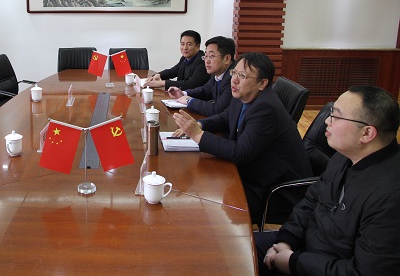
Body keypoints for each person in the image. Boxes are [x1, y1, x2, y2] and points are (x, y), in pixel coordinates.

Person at [255, 86, 400, 276]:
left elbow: (363, 272)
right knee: (228, 250)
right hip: (303, 246)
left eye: (336, 116)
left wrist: (294, 262)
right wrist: (286, 240)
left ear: (367, 133)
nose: (326, 120)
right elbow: (311, 200)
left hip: (322, 266)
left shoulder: (389, 197)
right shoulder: (345, 156)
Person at [172, 52, 311, 223]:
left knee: (208, 204)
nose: (234, 80)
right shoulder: (243, 95)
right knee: (203, 183)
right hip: (255, 170)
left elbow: (240, 153)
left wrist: (197, 134)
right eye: (234, 73)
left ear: (262, 83)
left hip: (275, 189)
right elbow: (226, 117)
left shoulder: (266, 108)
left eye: (243, 76)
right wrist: (200, 124)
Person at [167, 36, 236, 116]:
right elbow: (205, 90)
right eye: (206, 56)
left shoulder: (234, 78)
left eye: (211, 56)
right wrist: (183, 93)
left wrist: (189, 101)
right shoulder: (217, 73)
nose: (207, 61)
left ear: (227, 59)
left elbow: (217, 109)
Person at [144, 30, 210, 90]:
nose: (185, 48)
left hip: (195, 97)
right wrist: (158, 75)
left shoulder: (202, 61)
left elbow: (190, 84)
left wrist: (163, 83)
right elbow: (172, 72)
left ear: (198, 46)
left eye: (189, 44)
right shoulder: (184, 58)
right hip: (181, 95)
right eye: (182, 44)